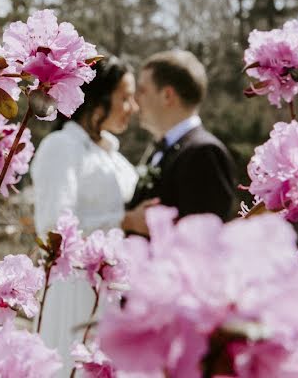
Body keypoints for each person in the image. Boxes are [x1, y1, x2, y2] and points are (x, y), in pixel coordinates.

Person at [30, 56, 139, 377]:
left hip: (114, 292)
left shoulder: (116, 157)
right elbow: (54, 226)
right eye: (125, 97)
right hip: (74, 289)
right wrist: (124, 222)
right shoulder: (62, 146)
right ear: (98, 99)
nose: (132, 107)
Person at [122, 49, 236, 236]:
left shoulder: (205, 153)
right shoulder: (161, 150)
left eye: (142, 90)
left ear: (167, 95)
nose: (135, 100)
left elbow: (202, 238)